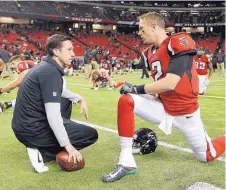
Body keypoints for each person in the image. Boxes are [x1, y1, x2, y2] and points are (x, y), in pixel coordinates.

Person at [102, 12, 225, 183]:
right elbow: (159, 87)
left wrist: (137, 88)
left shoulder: (178, 42)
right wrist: (141, 90)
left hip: (186, 113)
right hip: (164, 107)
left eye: (141, 28)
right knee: (126, 100)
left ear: (154, 27)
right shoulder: (148, 53)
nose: (139, 33)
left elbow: (170, 83)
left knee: (207, 156)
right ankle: (126, 162)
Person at [12, 34, 98, 173]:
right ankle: (43, 152)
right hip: (32, 130)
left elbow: (59, 91)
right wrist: (68, 146)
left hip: (25, 125)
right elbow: (53, 117)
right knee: (91, 134)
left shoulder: (46, 67)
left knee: (66, 100)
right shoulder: (50, 72)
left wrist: (79, 97)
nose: (73, 53)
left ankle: (47, 143)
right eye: (69, 50)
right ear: (56, 52)